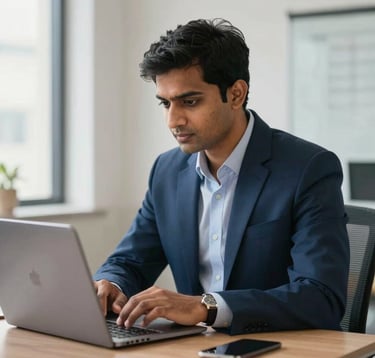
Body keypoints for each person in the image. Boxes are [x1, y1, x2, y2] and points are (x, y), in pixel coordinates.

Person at [93, 18, 349, 335]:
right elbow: (130, 261)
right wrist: (110, 283)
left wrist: (206, 307)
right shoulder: (167, 171)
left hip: (278, 348)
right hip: (192, 347)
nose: (173, 120)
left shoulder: (308, 168)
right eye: (165, 103)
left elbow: (321, 297)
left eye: (190, 101)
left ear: (236, 94)